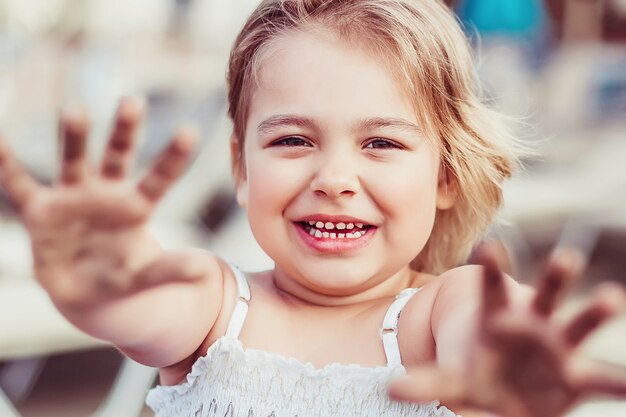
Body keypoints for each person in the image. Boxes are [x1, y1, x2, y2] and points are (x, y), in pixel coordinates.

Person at [0, 1, 625, 416]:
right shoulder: (215, 307)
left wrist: (506, 367)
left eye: (380, 143)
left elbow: (484, 333)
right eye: (293, 140)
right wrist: (101, 280)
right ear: (242, 168)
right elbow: (138, 306)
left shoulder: (442, 311)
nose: (333, 178)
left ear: (447, 174)